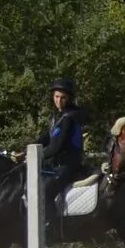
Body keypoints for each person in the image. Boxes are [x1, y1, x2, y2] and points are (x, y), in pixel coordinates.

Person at [37, 78, 89, 209]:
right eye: (56, 97)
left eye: (63, 98)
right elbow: (46, 138)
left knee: (44, 193)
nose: (58, 101)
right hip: (57, 165)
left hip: (68, 166)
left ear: (69, 98)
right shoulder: (58, 117)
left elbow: (56, 147)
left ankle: (51, 226)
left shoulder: (69, 118)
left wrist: (35, 156)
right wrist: (27, 149)